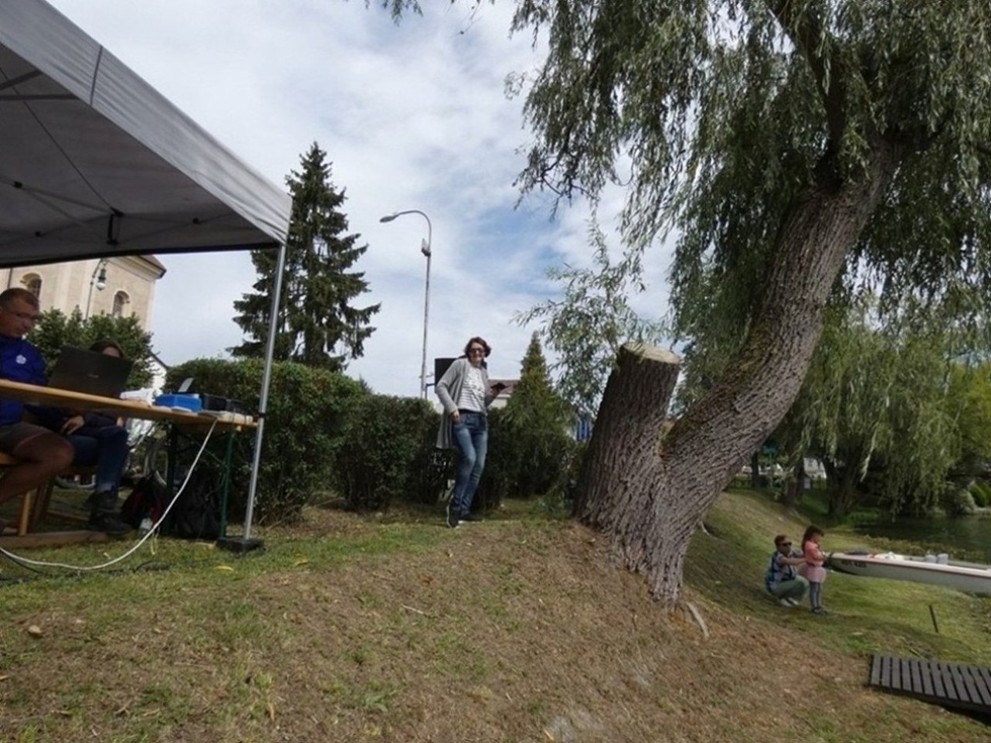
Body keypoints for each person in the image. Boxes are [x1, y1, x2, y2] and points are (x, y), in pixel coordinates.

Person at [0, 288, 130, 535]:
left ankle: (103, 505)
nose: (28, 324)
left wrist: (71, 409)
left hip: (10, 425)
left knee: (60, 453)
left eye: (33, 319)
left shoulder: (30, 354)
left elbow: (40, 397)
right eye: (21, 316)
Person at [435, 336, 505, 529]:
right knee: (469, 457)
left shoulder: (483, 373)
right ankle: (455, 507)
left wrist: (493, 395)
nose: (477, 353)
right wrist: (452, 409)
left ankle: (464, 509)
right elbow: (441, 386)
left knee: (478, 466)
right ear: (468, 351)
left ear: (485, 353)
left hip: (480, 422)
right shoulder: (460, 365)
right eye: (473, 350)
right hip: (462, 419)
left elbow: (483, 402)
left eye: (480, 350)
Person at [764, 533, 809, 607]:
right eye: (784, 545)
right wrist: (806, 559)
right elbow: (790, 562)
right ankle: (783, 598)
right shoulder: (778, 556)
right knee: (799, 583)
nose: (788, 546)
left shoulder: (791, 552)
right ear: (778, 547)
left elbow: (802, 554)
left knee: (805, 582)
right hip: (776, 585)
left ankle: (793, 599)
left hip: (786, 580)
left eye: (789, 544)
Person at [799, 524, 828, 614]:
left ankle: (818, 605)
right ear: (813, 535)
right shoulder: (809, 545)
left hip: (818, 569)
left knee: (818, 588)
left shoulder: (814, 545)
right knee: (814, 588)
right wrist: (823, 557)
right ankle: (814, 606)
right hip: (813, 569)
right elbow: (816, 556)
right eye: (819, 536)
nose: (819, 538)